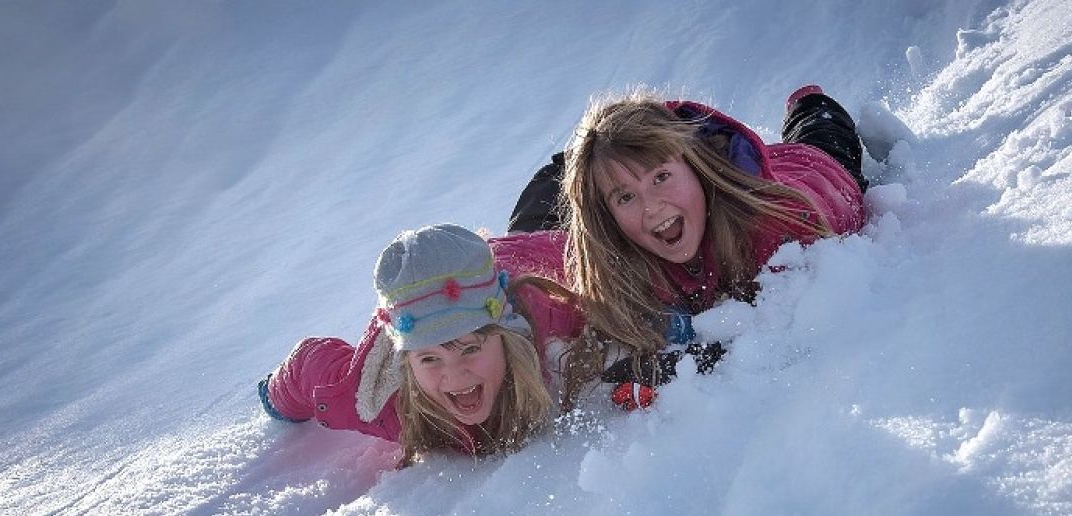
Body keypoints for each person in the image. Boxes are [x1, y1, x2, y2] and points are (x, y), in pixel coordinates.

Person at [511, 86, 868, 408]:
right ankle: (589, 163)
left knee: (823, 132)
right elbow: (538, 262)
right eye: (625, 197)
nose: (652, 207)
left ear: (696, 167)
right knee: (562, 192)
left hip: (815, 169)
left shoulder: (776, 228)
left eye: (661, 177)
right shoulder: (620, 250)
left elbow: (780, 331)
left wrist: (692, 361)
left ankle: (808, 101)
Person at [259, 224, 583, 465]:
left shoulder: (545, 312)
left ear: (505, 337)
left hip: (524, 254)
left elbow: (590, 257)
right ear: (406, 364)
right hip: (424, 302)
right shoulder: (380, 399)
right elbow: (309, 365)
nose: (454, 376)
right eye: (429, 358)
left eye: (470, 348)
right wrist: (276, 398)